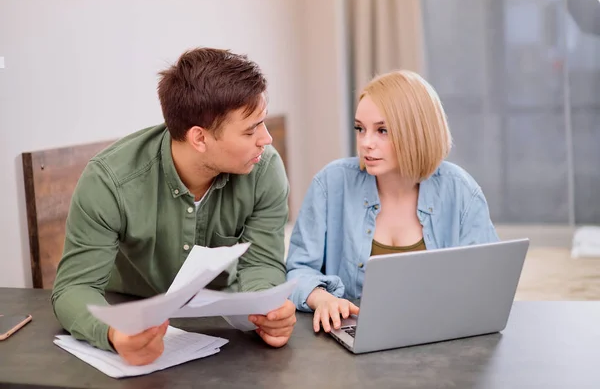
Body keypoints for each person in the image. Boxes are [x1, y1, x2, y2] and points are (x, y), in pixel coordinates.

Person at [51, 47, 296, 366]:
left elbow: (262, 262)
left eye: (263, 123)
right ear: (199, 138)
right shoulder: (109, 181)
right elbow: (74, 288)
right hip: (132, 316)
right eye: (251, 130)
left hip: (225, 330)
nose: (267, 140)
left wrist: (267, 311)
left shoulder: (264, 168)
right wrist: (114, 333)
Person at [286, 70, 499, 334]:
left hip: (441, 336)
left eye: (382, 130)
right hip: (355, 335)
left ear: (417, 133)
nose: (366, 143)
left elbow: (488, 283)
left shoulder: (461, 190)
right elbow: (297, 270)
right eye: (360, 129)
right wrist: (322, 298)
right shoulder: (331, 184)